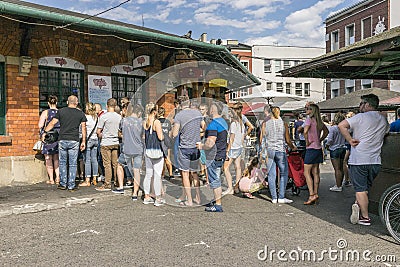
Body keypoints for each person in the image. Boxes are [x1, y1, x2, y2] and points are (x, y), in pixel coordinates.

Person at [338, 94, 389, 226]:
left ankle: (365, 217)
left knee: (360, 189)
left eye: (361, 104)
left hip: (359, 159)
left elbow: (341, 125)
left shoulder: (360, 117)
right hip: (375, 160)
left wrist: (350, 140)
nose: (360, 107)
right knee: (365, 188)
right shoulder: (383, 120)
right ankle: (358, 205)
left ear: (367, 104)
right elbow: (386, 133)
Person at [42, 95, 87, 191]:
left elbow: (52, 123)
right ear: (77, 102)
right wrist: (83, 141)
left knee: (62, 162)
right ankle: (71, 184)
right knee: (73, 163)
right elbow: (83, 128)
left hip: (62, 139)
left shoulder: (61, 112)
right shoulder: (80, 114)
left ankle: (63, 183)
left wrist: (45, 132)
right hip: (74, 140)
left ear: (67, 102)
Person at [172, 96, 204, 206]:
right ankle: (198, 198)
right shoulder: (198, 113)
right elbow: (203, 127)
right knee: (194, 173)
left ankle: (189, 200)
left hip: (185, 147)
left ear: (180, 105)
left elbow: (175, 134)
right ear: (189, 102)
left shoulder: (179, 116)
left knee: (185, 174)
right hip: (196, 147)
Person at [197, 101, 228, 212]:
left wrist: (201, 146)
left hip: (213, 156)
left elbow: (210, 143)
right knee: (217, 178)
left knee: (215, 180)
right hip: (221, 153)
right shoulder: (223, 121)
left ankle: (218, 205)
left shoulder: (213, 124)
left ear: (213, 109)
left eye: (211, 108)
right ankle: (216, 200)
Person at [263, 106, 297, 204]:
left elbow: (262, 139)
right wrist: (293, 147)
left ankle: (274, 197)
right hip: (280, 150)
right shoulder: (284, 124)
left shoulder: (265, 124)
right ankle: (281, 197)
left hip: (269, 150)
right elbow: (287, 139)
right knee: (283, 173)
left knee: (271, 174)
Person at [113, 103, 144, 197]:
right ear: (138, 112)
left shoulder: (124, 121)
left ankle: (121, 187)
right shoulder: (141, 122)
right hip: (138, 148)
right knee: (136, 170)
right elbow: (143, 136)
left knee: (119, 165)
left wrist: (125, 136)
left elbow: (119, 133)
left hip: (126, 148)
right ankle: (135, 193)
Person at [303, 103, 329, 205]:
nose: (306, 110)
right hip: (318, 148)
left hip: (311, 148)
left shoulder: (309, 120)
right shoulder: (319, 121)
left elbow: (305, 131)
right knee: (316, 172)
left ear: (311, 110)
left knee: (306, 172)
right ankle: (316, 193)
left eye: (307, 109)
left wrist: (307, 141)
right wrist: (320, 139)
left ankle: (311, 195)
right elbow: (326, 132)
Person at [96, 98, 121, 191]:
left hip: (106, 142)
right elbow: (120, 130)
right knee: (115, 163)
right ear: (115, 106)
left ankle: (107, 183)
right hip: (116, 142)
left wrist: (102, 135)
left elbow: (98, 131)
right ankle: (117, 181)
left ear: (107, 106)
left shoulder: (104, 116)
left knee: (107, 164)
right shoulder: (119, 117)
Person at [143, 103, 165, 206]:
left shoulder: (145, 122)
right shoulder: (156, 122)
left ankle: (146, 196)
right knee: (157, 175)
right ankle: (158, 198)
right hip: (157, 151)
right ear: (155, 112)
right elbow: (160, 137)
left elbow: (143, 137)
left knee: (148, 175)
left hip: (148, 150)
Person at [38, 95, 60, 185]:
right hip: (58, 135)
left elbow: (40, 125)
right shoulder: (60, 112)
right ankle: (58, 177)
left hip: (48, 136)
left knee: (48, 158)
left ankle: (51, 179)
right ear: (56, 102)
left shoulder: (45, 112)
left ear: (48, 103)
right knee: (57, 158)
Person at [223, 107, 245, 195]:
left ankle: (230, 188)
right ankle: (236, 187)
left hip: (233, 148)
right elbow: (242, 137)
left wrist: (227, 150)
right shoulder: (241, 124)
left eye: (230, 112)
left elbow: (231, 138)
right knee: (238, 167)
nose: (229, 114)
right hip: (239, 147)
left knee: (225, 168)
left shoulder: (233, 124)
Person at [326, 112, 347, 192]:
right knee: (341, 168)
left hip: (334, 149)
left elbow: (330, 139)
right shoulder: (343, 127)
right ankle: (340, 184)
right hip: (342, 147)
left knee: (337, 169)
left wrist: (327, 145)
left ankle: (338, 186)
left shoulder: (333, 128)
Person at [79, 102, 99, 187]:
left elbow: (81, 129)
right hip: (95, 139)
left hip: (88, 140)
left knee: (87, 160)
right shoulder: (97, 118)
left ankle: (87, 179)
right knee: (94, 159)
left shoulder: (85, 118)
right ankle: (95, 178)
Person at [158, 107, 173, 180]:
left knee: (161, 160)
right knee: (167, 158)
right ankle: (170, 173)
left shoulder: (157, 121)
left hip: (160, 141)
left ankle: (162, 174)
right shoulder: (168, 122)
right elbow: (170, 133)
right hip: (167, 142)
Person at [343, 111, 355, 187]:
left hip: (350, 146)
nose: (347, 119)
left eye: (348, 117)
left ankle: (348, 179)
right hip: (349, 145)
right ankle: (348, 179)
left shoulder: (351, 127)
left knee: (345, 162)